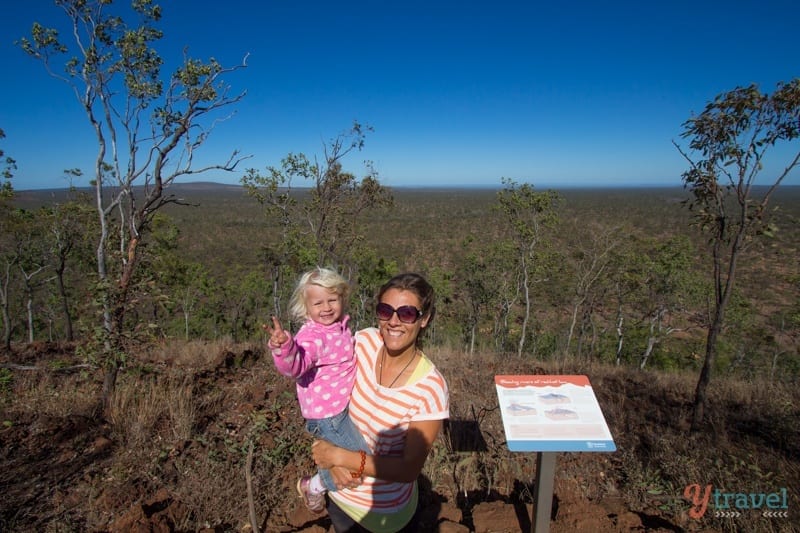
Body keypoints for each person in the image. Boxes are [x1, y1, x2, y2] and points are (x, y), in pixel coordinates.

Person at [311, 272, 450, 533]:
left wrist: (342, 457)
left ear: (424, 319)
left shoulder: (431, 388)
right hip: (339, 494)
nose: (394, 321)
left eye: (407, 313)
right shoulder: (363, 343)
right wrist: (327, 449)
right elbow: (323, 396)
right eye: (386, 310)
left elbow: (408, 469)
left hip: (384, 516)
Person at [264, 267, 368, 513]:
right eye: (318, 302)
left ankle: (325, 480)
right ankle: (314, 485)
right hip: (328, 417)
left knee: (353, 461)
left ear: (342, 298)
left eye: (332, 300)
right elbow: (296, 366)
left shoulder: (338, 328)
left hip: (337, 413)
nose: (327, 307)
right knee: (363, 461)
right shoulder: (313, 335)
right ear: (306, 307)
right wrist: (285, 348)